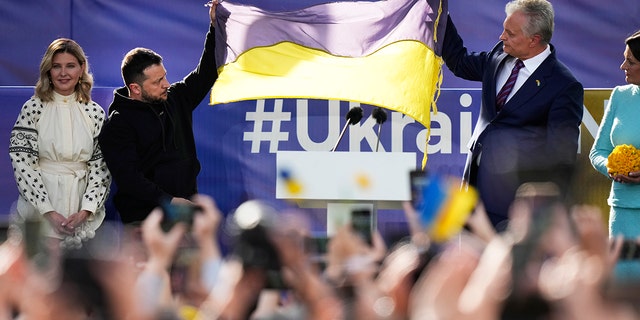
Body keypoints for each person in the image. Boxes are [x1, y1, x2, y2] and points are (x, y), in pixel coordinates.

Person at [441, 0, 584, 231]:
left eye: (510, 33)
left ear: (534, 39)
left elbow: (561, 156)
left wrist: (537, 214)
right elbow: (459, 62)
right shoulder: (499, 55)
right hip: (473, 192)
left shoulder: (563, 85)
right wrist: (440, 15)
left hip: (514, 207)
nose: (501, 37)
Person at [98, 1, 220, 225]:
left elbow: (207, 73)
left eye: (164, 76)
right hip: (143, 222)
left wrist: (214, 27)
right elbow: (129, 179)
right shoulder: (117, 126)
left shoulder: (176, 98)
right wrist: (169, 201)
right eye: (157, 81)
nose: (166, 83)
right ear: (135, 88)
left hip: (185, 215)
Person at [8, 38, 111, 248]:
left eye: (70, 66)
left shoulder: (95, 112)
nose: (63, 73)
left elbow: (101, 168)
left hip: (84, 216)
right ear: (48, 70)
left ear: (81, 68)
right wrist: (47, 211)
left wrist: (86, 211)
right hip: (39, 213)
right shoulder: (33, 108)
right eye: (57, 66)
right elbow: (23, 162)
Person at [589, 30, 640, 281]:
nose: (623, 66)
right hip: (622, 213)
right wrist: (612, 168)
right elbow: (597, 152)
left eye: (630, 61)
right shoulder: (620, 95)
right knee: (623, 289)